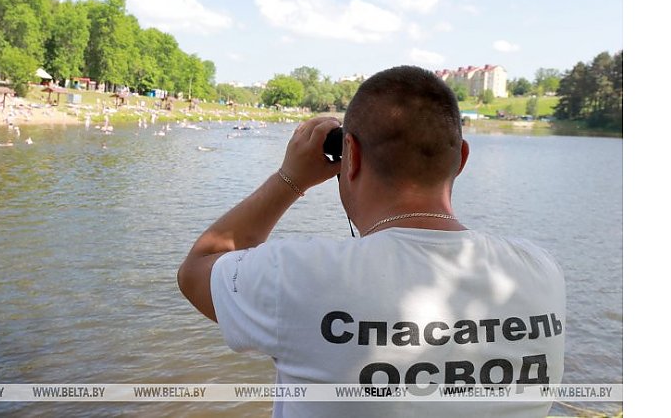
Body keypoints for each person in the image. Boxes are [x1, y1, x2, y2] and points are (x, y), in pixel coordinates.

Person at [177, 66, 565, 417]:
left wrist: (290, 179)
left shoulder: (300, 275)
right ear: (461, 160)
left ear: (351, 155)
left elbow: (198, 268)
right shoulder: (540, 271)